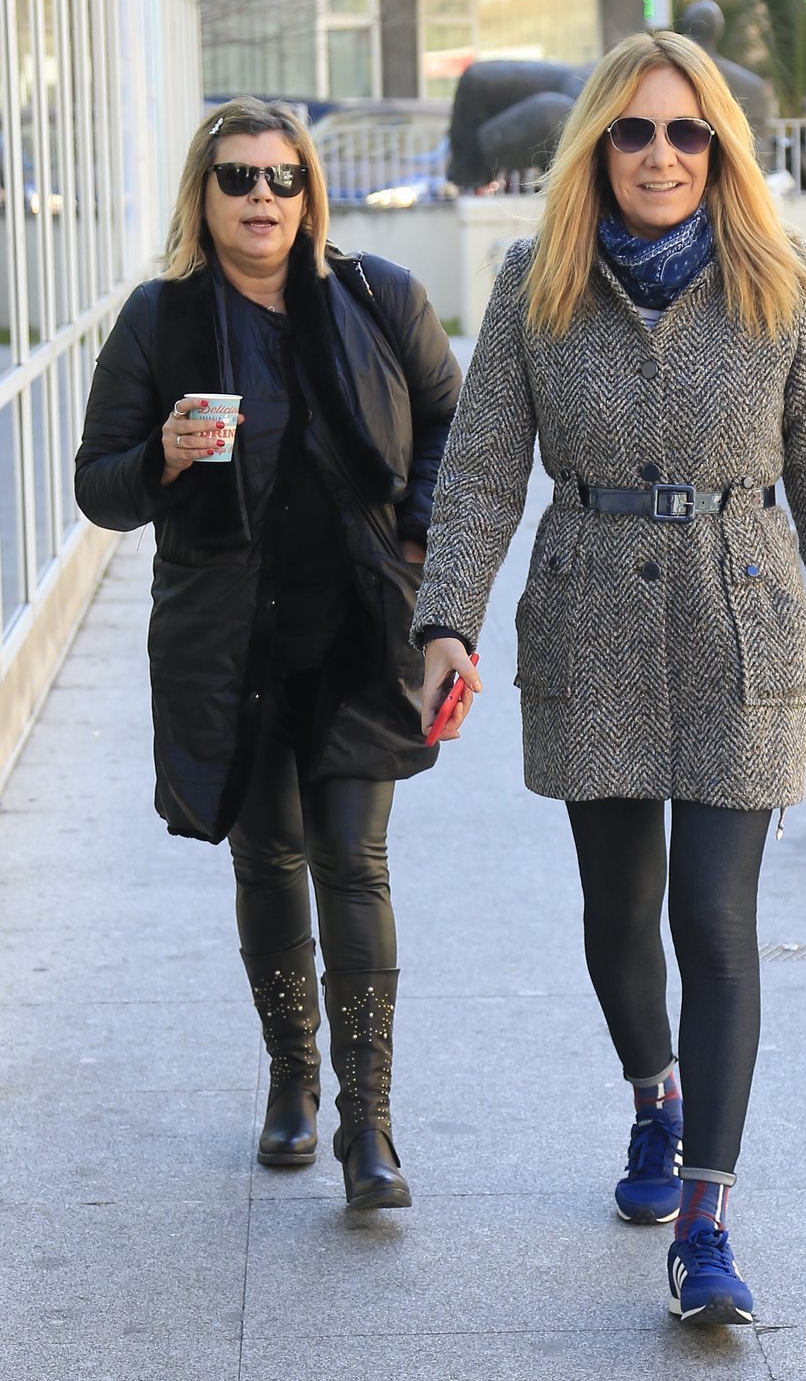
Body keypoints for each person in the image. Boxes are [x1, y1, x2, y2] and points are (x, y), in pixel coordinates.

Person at [412, 31, 806, 1324]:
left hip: (744, 621)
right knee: (620, 915)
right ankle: (655, 1099)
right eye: (635, 132)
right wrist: (444, 623)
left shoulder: (785, 287)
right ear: (598, 150)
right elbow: (482, 473)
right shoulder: (534, 283)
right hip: (590, 623)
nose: (662, 155)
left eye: (687, 132)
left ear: (719, 147)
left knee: (715, 920)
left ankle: (708, 1219)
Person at [75, 97, 460, 1208]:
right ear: (204, 195)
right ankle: (291, 1080)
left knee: (355, 862)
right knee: (267, 859)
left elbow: (449, 421)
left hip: (355, 633)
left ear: (308, 193)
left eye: (281, 178)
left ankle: (368, 1122)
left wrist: (419, 532)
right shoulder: (161, 321)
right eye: (237, 178)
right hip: (229, 642)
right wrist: (160, 454)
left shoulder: (376, 298)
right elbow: (96, 488)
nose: (260, 198)